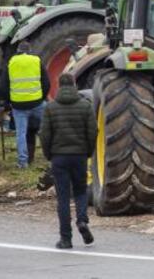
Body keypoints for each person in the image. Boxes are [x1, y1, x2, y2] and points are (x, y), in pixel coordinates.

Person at [39, 73, 95, 250]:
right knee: (80, 191)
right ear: (75, 85)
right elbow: (93, 132)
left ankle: (66, 239)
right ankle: (82, 220)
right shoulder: (86, 106)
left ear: (59, 85)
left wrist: (49, 154)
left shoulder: (50, 108)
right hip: (79, 156)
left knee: (63, 197)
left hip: (59, 157)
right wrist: (88, 152)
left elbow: (45, 134)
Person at [1, 42, 50, 169]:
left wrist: (9, 101)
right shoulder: (36, 60)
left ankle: (23, 162)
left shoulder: (11, 62)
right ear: (30, 50)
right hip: (37, 102)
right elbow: (46, 82)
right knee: (46, 128)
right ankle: (51, 157)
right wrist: (42, 97)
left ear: (17, 50)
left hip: (18, 105)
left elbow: (5, 85)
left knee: (21, 134)